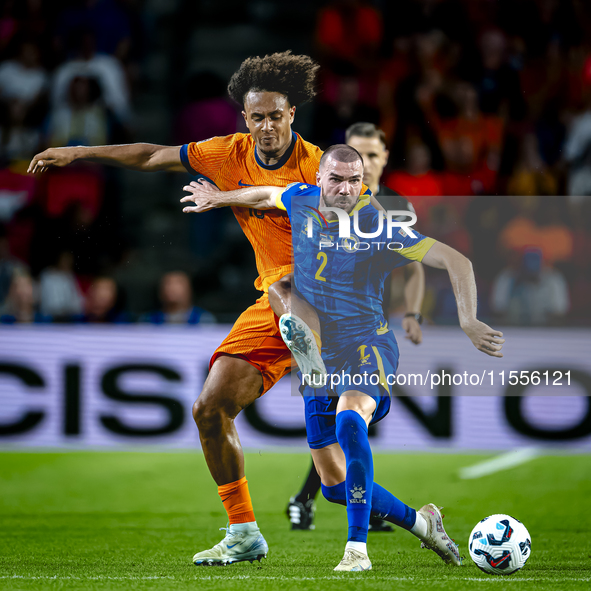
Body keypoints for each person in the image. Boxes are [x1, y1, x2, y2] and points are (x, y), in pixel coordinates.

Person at [28, 51, 365, 566]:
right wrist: (78, 152)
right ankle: (244, 531)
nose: (268, 126)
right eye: (258, 117)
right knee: (209, 410)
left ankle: (314, 351)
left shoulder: (323, 166)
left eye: (277, 115)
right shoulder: (227, 153)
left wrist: (226, 199)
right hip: (275, 304)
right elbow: (149, 156)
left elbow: (300, 203)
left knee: (287, 284)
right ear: (245, 119)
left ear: (292, 114)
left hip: (329, 292)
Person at [181, 144, 505, 572]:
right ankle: (423, 524)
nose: (346, 189)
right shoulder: (301, 199)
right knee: (335, 486)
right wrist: (217, 199)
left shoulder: (380, 227)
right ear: (319, 179)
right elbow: (261, 195)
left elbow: (456, 261)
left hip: (367, 345)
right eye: (336, 179)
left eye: (355, 181)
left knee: (351, 419)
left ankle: (357, 551)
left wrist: (468, 320)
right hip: (321, 354)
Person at [286, 122, 425, 531]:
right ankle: (320, 497)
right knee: (342, 446)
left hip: (363, 331)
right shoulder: (322, 198)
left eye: (374, 153)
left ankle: (347, 517)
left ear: (380, 160)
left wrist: (411, 312)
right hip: (320, 328)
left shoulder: (394, 207)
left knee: (350, 421)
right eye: (357, 150)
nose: (366, 159)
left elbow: (413, 266)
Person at [142, 271, 215, 325]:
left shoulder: (204, 319)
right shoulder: (147, 320)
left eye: (178, 283)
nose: (172, 288)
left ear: (189, 290)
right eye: (168, 284)